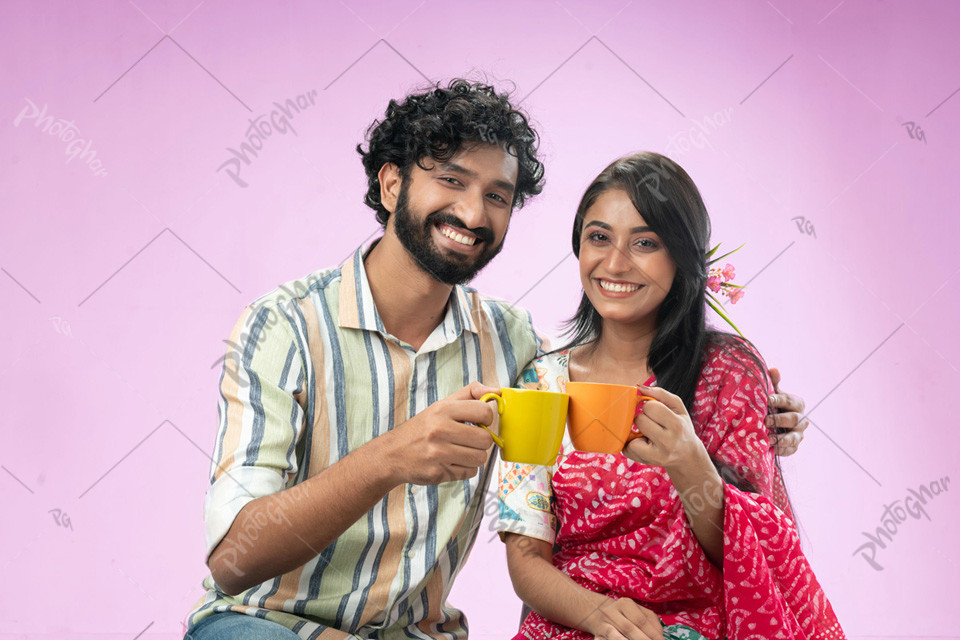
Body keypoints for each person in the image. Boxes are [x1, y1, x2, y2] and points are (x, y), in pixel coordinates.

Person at [184, 80, 810, 639]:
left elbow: (614, 372)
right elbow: (232, 561)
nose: (473, 213)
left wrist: (761, 417)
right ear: (393, 183)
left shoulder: (512, 347)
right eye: (451, 180)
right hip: (261, 623)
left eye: (498, 195)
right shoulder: (286, 325)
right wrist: (389, 458)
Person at [498, 153, 844, 640]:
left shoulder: (726, 374)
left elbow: (755, 556)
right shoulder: (539, 384)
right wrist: (600, 616)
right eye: (599, 237)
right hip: (574, 623)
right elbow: (526, 558)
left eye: (645, 242)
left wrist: (689, 464)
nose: (615, 263)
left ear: (680, 257)